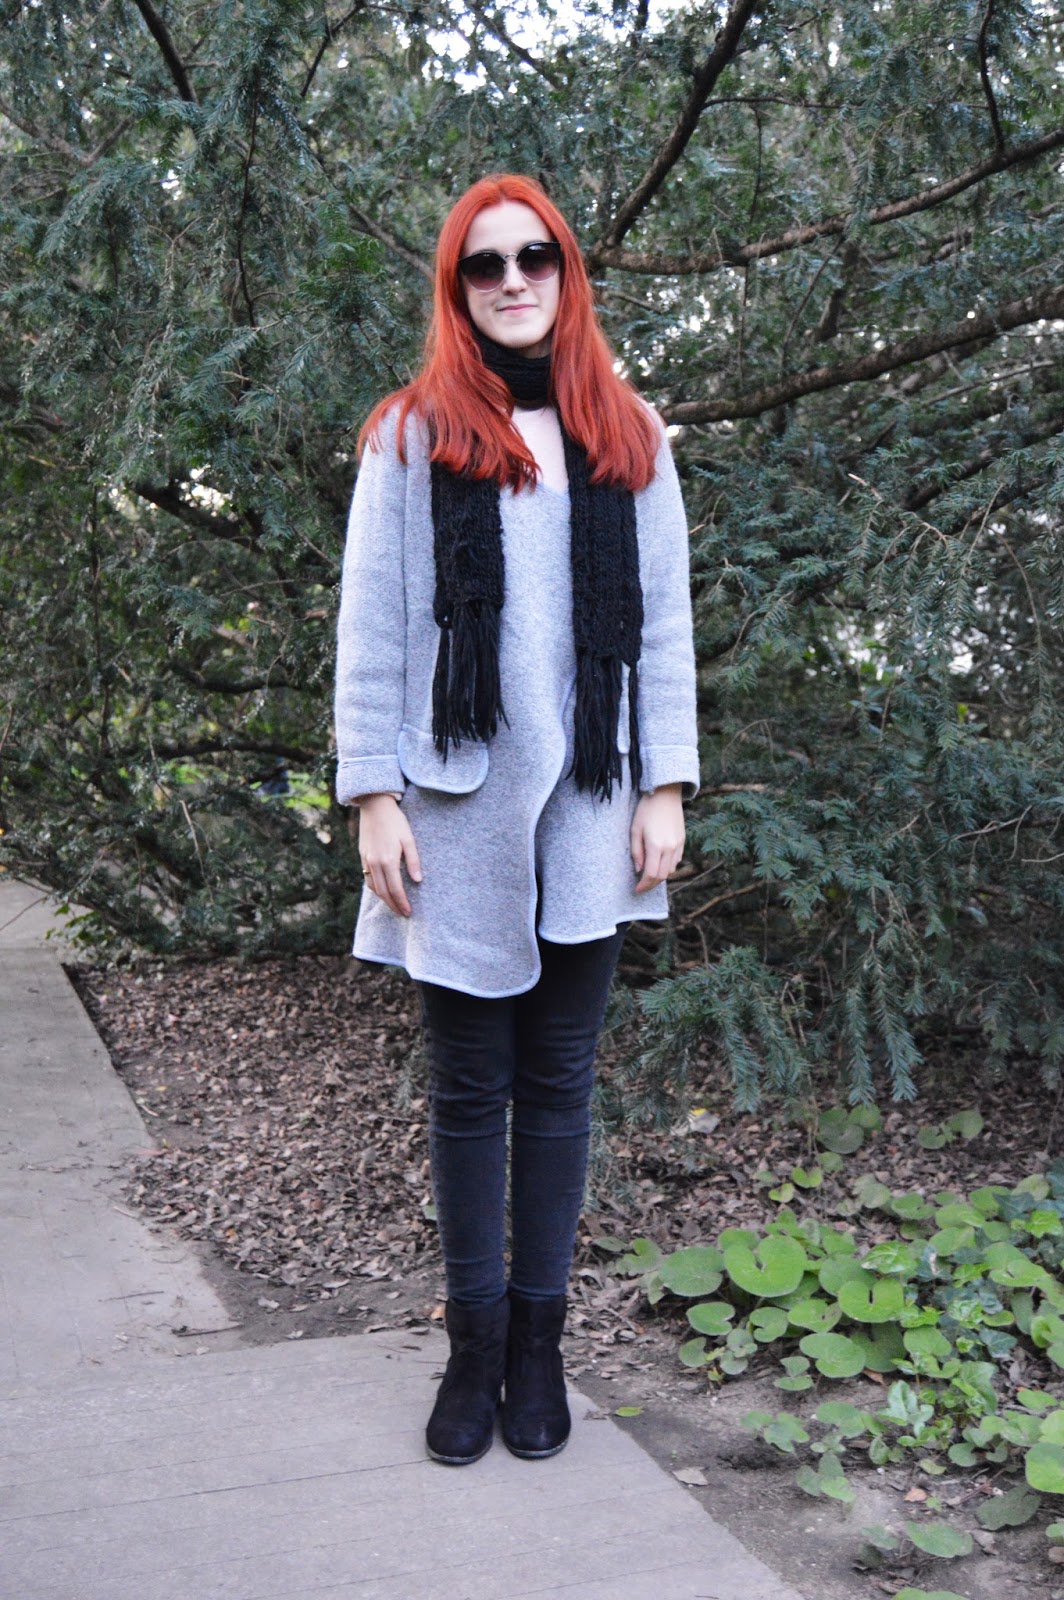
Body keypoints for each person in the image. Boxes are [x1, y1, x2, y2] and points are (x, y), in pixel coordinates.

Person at [334, 173, 700, 1467]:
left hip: (594, 800)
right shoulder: (412, 436)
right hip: (455, 805)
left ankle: (539, 1348)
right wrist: (372, 795)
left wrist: (665, 784)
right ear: (457, 287)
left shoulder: (628, 437)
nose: (509, 280)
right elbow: (374, 629)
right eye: (482, 264)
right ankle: (473, 1345)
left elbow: (664, 627)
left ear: (564, 271)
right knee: (468, 1089)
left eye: (532, 255)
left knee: (558, 1087)